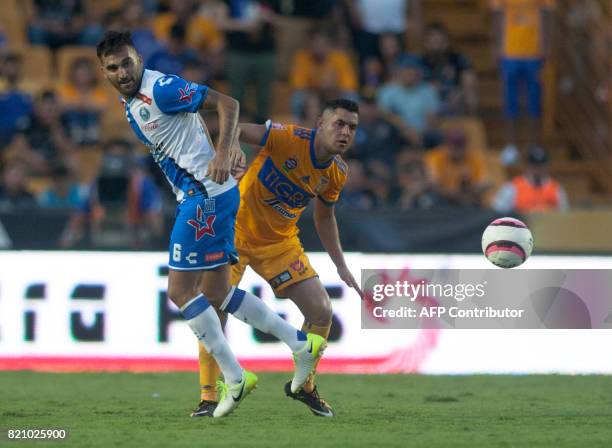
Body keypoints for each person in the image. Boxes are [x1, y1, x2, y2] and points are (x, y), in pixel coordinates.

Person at [96, 30, 325, 418]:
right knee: (217, 292)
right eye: (113, 67)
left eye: (127, 63)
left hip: (203, 199)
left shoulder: (161, 89)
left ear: (139, 60)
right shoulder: (132, 100)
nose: (122, 72)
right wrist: (214, 154)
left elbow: (226, 103)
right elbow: (192, 121)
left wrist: (224, 150)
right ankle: (299, 343)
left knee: (179, 290)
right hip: (212, 194)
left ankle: (234, 377)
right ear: (104, 72)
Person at [194, 99, 363, 418]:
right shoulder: (288, 138)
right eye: (338, 124)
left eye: (351, 127)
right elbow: (237, 129)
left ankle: (305, 385)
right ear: (320, 124)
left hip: (280, 243)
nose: (345, 132)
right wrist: (229, 151)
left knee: (321, 310)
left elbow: (324, 218)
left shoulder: (337, 173)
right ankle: (208, 397)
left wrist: (340, 265)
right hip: (235, 231)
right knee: (212, 308)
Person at [489, 0, 555, 155]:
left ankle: (534, 144)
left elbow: (548, 15)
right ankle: (511, 145)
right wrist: (495, 47)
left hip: (534, 53)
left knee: (534, 100)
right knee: (510, 100)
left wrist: (546, 46)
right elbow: (496, 17)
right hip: (509, 52)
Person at [492, 145, 569, 213]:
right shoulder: (512, 187)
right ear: (527, 165)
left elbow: (565, 215)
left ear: (546, 166)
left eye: (541, 165)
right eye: (534, 165)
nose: (537, 169)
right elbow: (498, 213)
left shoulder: (556, 188)